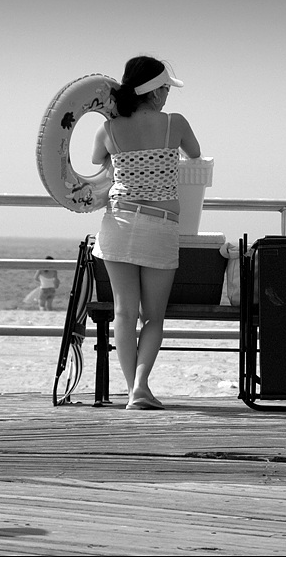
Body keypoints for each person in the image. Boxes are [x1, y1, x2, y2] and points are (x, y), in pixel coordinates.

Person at [91, 56, 201, 411]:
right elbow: (195, 153)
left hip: (119, 222)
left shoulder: (109, 128)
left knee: (124, 313)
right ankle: (141, 386)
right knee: (152, 316)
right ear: (153, 92)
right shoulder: (174, 123)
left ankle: (131, 390)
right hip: (159, 225)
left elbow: (96, 159)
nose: (168, 95)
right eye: (166, 88)